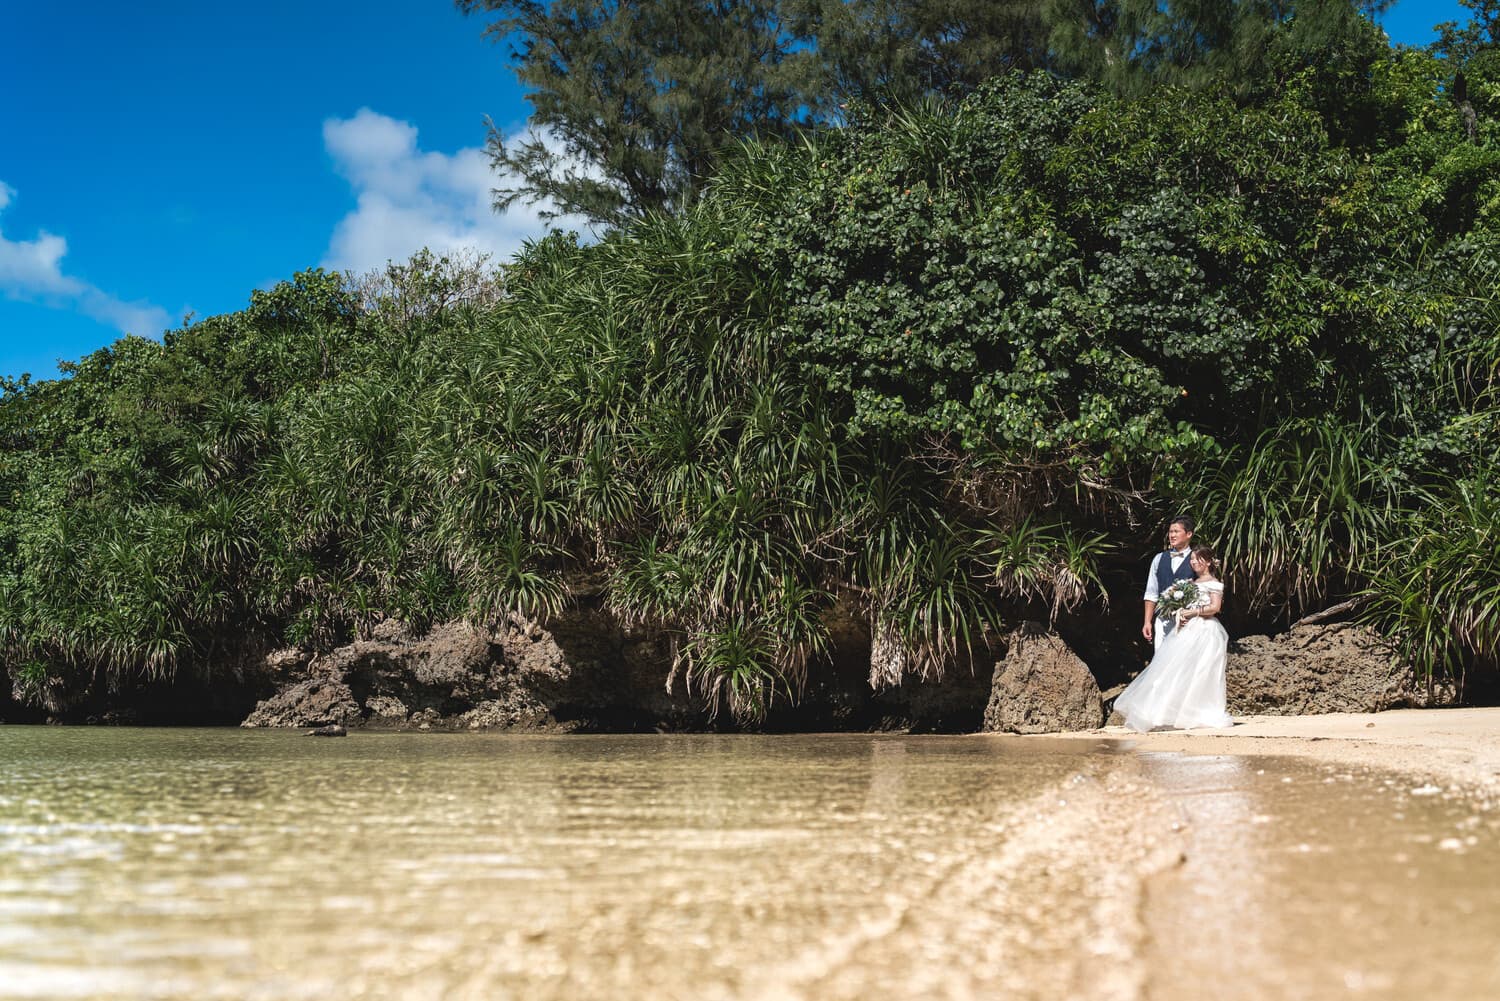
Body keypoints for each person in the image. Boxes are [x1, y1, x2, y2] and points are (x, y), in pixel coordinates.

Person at [1113, 543, 1232, 732]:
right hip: (1187, 630)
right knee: (1178, 669)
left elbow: (1215, 608)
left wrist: (1191, 612)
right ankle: (1171, 712)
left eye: (1197, 559)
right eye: (1191, 559)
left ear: (1208, 562)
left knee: (1203, 671)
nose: (1193, 563)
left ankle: (1200, 712)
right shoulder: (1190, 584)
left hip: (1206, 631)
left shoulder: (1214, 583)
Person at [1142, 516, 1196, 646]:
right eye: (1170, 532)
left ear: (1188, 534)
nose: (1172, 535)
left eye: (1176, 531)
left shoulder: (1196, 559)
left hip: (1188, 621)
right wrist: (1147, 621)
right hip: (1163, 620)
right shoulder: (1159, 558)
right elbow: (1151, 592)